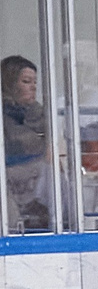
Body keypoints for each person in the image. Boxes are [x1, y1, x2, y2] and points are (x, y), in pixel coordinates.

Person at [3, 54, 51, 232]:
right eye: (26, 81)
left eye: (35, 82)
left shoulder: (41, 114)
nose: (33, 87)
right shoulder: (4, 118)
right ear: (10, 83)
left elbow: (54, 152)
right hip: (9, 188)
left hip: (38, 188)